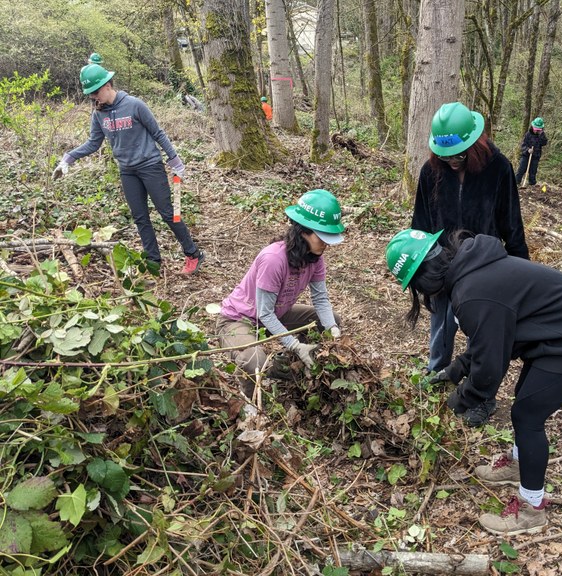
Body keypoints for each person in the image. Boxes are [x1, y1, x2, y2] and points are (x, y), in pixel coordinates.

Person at [385, 228, 562, 535]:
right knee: (525, 396)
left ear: (423, 279)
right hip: (559, 329)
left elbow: (489, 370)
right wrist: (452, 372)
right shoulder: (471, 269)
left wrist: (457, 401)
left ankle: (532, 509)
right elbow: (491, 341)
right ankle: (519, 463)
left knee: (528, 415)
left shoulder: (472, 292)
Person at [411, 101, 529, 382]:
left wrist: (520, 268)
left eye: (459, 155)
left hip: (484, 263)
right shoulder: (431, 171)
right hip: (442, 263)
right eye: (446, 155)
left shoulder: (498, 168)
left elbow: (511, 222)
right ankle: (438, 368)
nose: (452, 161)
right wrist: (419, 265)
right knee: (441, 320)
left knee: (481, 324)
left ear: (474, 144)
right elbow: (421, 222)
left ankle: (477, 379)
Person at [52, 64, 204, 274]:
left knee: (169, 213)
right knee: (140, 217)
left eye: (95, 92)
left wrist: (175, 160)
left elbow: (157, 133)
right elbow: (93, 143)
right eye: (89, 95)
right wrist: (68, 158)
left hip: (150, 166)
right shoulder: (99, 114)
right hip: (127, 171)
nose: (93, 98)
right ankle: (153, 262)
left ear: (107, 85)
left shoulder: (134, 105)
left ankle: (193, 254)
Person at [216, 189, 345, 398]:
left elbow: (320, 298)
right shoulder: (273, 259)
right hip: (240, 319)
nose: (326, 243)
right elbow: (264, 314)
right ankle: (249, 403)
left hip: (277, 313)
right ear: (304, 230)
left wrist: (332, 329)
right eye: (322, 237)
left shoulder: (315, 257)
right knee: (255, 362)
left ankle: (291, 366)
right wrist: (295, 345)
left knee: (330, 321)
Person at [515, 117, 548, 187]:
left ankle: (532, 184)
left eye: (538, 130)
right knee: (521, 169)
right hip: (526, 155)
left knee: (533, 171)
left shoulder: (541, 135)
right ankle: (516, 182)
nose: (536, 131)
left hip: (536, 156)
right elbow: (523, 145)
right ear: (532, 127)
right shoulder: (528, 134)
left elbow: (544, 143)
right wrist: (527, 150)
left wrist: (541, 134)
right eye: (535, 129)